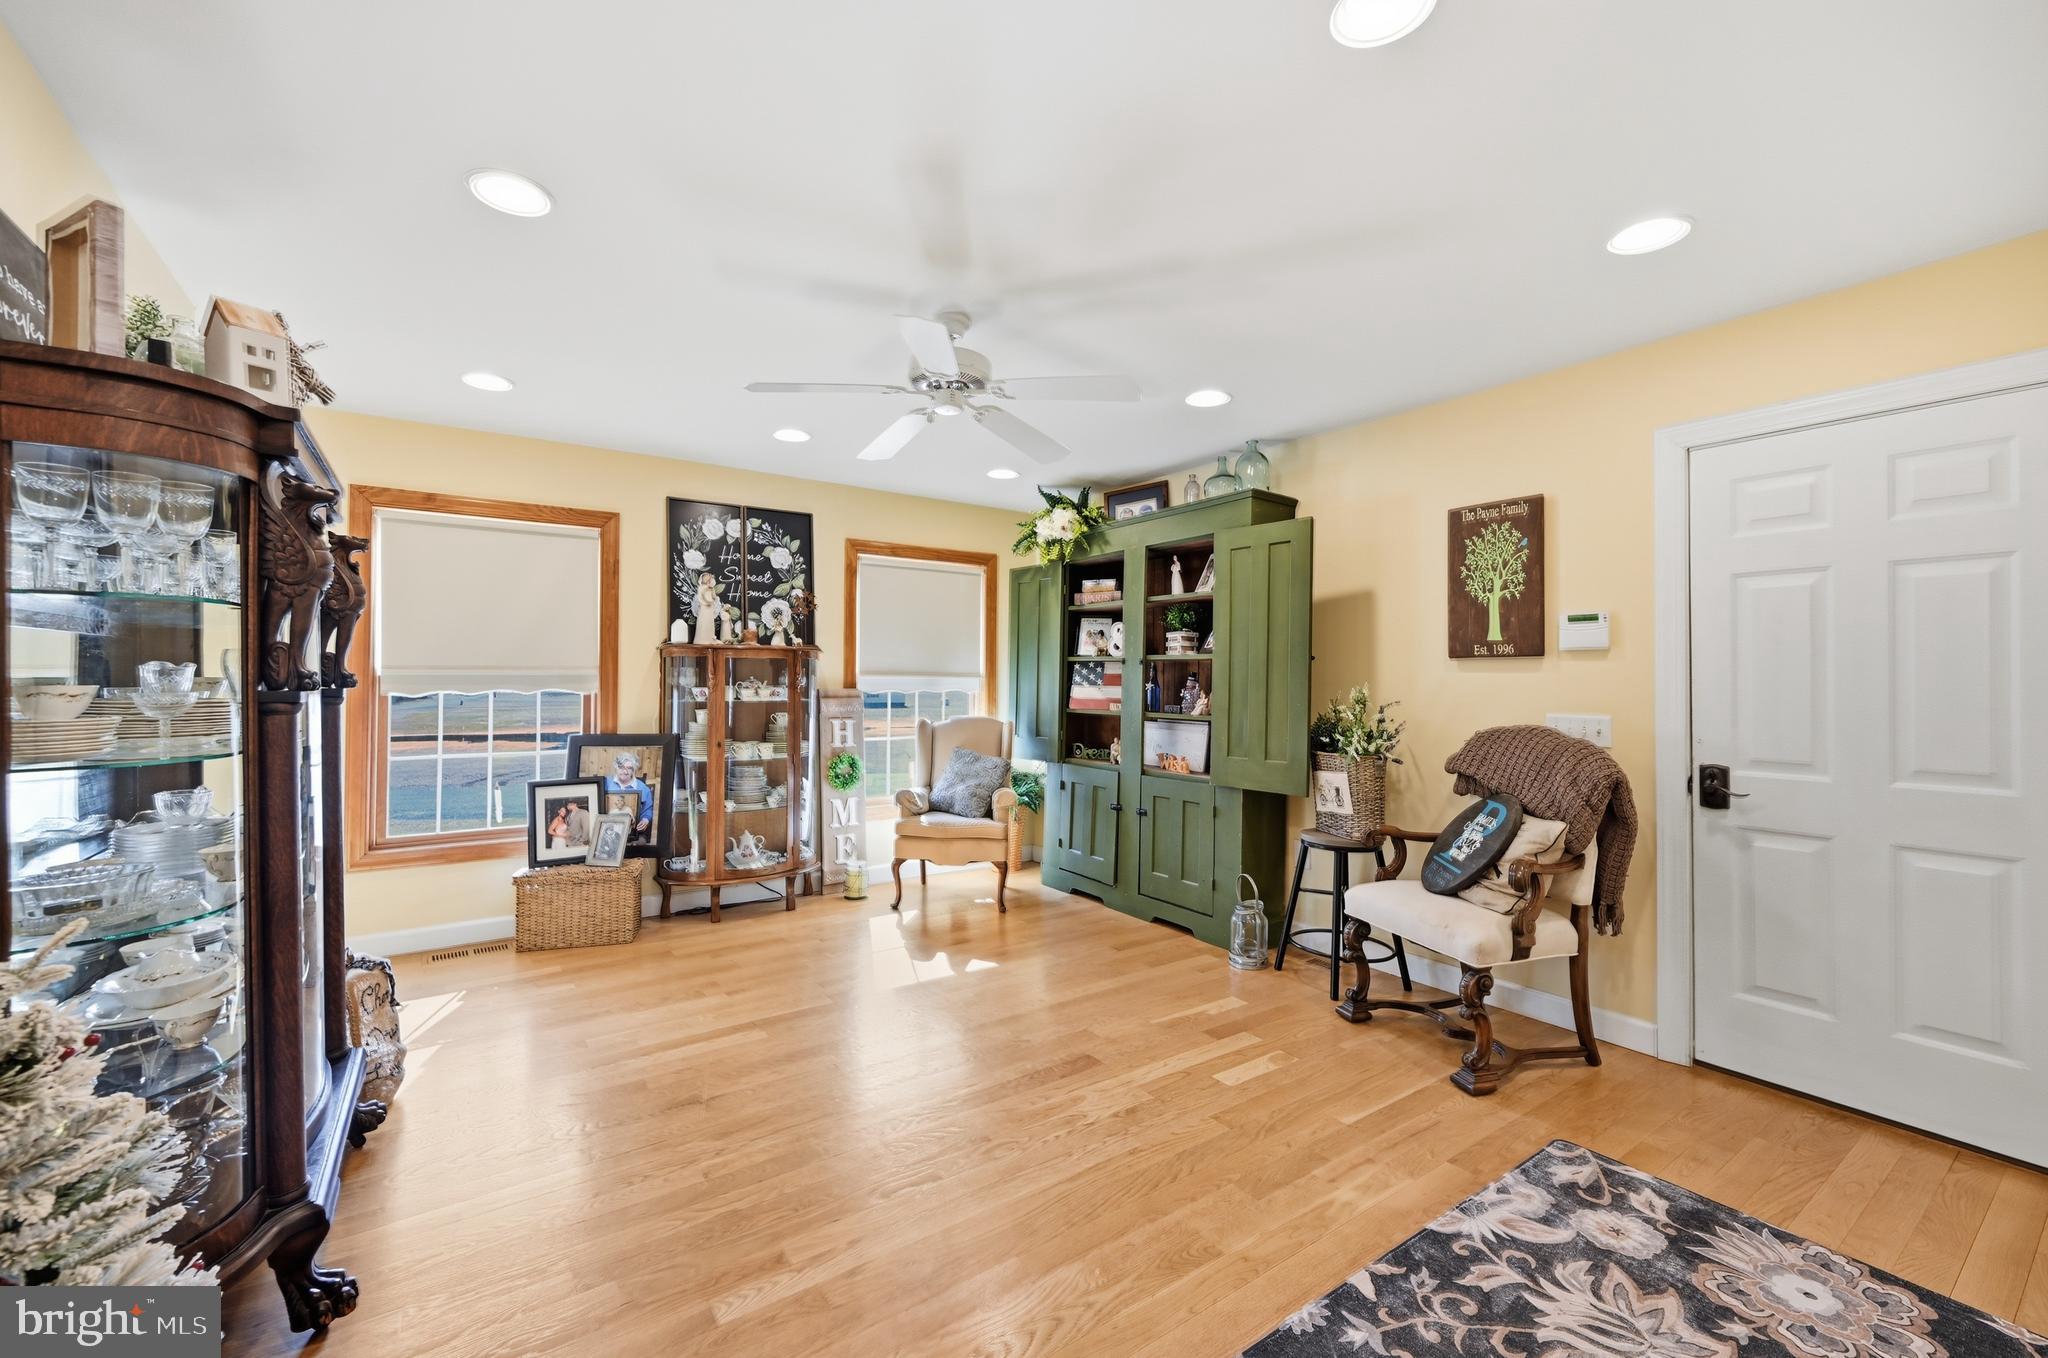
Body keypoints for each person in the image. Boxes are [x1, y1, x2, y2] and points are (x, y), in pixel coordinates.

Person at [603, 751, 655, 844]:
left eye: (629, 768)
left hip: (633, 833)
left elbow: (648, 809)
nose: (625, 771)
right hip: (607, 831)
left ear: (633, 769)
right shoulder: (605, 783)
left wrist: (645, 820)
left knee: (639, 844)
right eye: (621, 767)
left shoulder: (643, 788)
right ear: (616, 767)